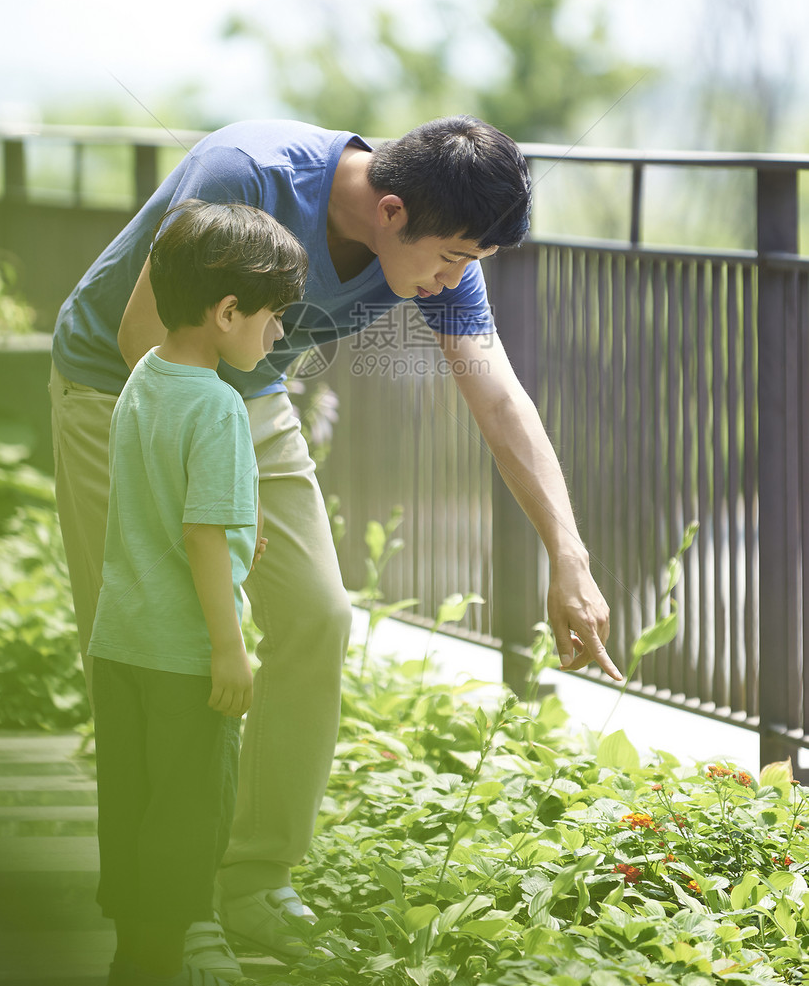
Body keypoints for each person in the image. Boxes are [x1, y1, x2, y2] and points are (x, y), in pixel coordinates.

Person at [50, 114, 622, 968]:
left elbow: (499, 397)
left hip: (244, 394)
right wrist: (211, 505)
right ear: (390, 210)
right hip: (129, 389)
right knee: (161, 656)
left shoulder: (433, 256)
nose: (451, 280)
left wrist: (567, 556)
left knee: (317, 615)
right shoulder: (245, 174)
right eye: (453, 258)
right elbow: (147, 338)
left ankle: (252, 878)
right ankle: (173, 911)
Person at [87, 199, 308, 986]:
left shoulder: (145, 375)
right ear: (226, 312)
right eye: (274, 317)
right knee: (188, 818)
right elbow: (203, 534)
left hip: (120, 644)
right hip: (185, 656)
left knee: (134, 804)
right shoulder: (217, 405)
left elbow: (167, 503)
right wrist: (230, 647)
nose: (278, 334)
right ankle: (157, 961)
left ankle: (132, 959)